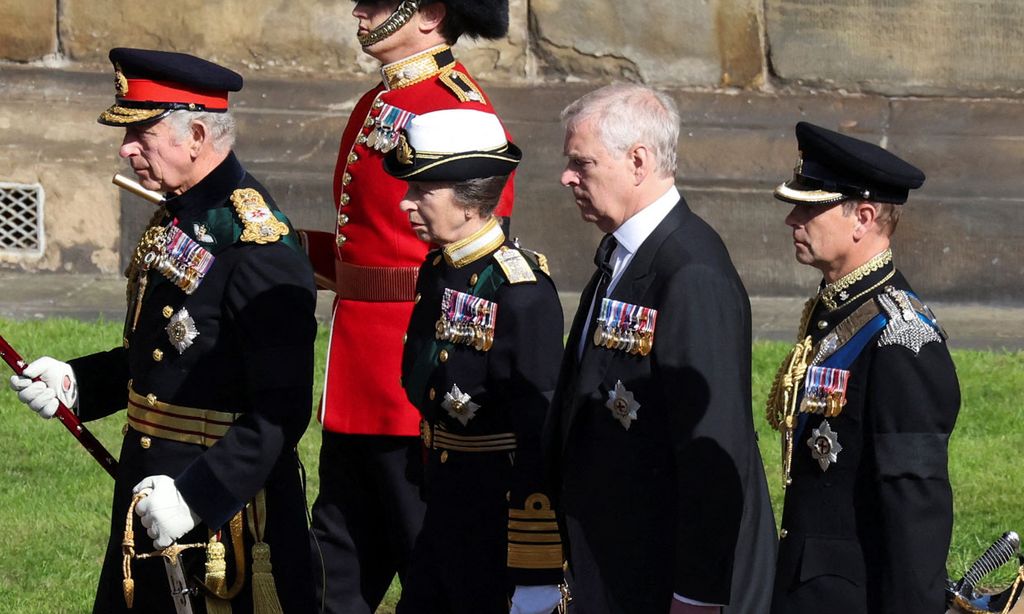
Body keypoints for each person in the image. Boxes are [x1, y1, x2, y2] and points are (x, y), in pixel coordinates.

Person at [8, 48, 317, 613]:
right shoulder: (183, 216)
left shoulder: (257, 245)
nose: (125, 149)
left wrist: (198, 496)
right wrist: (77, 382)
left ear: (196, 135)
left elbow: (283, 409)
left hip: (219, 516)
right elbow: (161, 355)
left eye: (141, 134)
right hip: (150, 494)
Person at [299, 2, 516, 611]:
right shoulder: (381, 99)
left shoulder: (457, 107)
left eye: (375, 2)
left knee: (429, 565)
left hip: (411, 376)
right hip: (358, 371)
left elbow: (475, 256)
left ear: (429, 13)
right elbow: (363, 243)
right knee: (335, 567)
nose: (358, 12)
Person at [543, 83, 776, 614]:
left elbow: (713, 450)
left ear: (638, 161)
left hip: (663, 578)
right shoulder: (626, 252)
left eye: (581, 162)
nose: (567, 177)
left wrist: (696, 595)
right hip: (616, 564)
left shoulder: (691, 272)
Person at [766, 122, 959, 613]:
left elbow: (916, 512)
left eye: (810, 207)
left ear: (864, 217)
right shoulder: (836, 310)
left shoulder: (902, 338)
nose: (793, 218)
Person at [385, 108, 563, 613]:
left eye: (422, 191)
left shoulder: (520, 291)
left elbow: (538, 435)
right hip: (443, 505)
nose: (406, 202)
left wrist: (536, 568)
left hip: (497, 522)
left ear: (469, 203)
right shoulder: (439, 268)